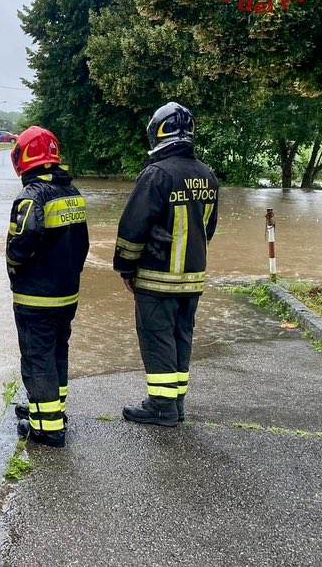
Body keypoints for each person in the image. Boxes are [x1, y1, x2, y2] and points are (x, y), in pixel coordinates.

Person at [114, 102, 219, 427]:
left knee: (157, 338)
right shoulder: (207, 175)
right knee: (181, 337)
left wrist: (126, 267)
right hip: (192, 280)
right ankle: (176, 403)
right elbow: (208, 229)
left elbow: (133, 229)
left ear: (157, 133)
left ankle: (161, 407)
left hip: (157, 280)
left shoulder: (157, 175)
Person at [6, 127, 90, 448]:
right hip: (67, 293)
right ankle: (53, 408)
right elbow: (83, 246)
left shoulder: (31, 197)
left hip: (35, 295)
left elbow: (21, 243)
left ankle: (46, 427)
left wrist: (14, 268)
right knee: (57, 351)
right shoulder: (74, 194)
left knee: (37, 357)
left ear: (24, 160)